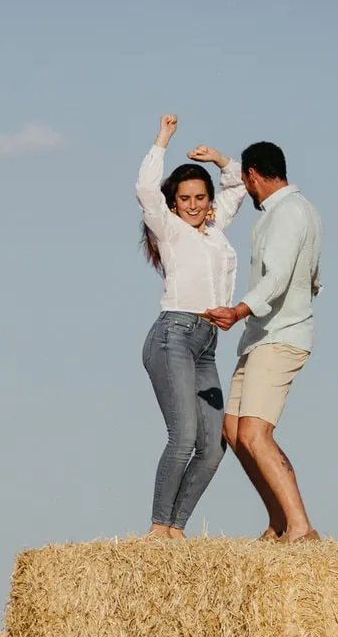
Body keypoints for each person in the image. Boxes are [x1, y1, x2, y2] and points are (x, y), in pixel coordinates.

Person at [204, 140, 323, 543]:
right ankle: (279, 521)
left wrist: (239, 310)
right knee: (234, 431)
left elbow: (279, 276)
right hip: (262, 335)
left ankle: (301, 527)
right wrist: (221, 160)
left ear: (253, 176)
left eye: (246, 181)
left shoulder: (289, 212)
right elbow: (312, 277)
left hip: (280, 334)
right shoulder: (291, 209)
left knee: (255, 433)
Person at [136, 115, 246, 540]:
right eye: (185, 199)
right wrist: (163, 140)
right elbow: (146, 190)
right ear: (175, 203)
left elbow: (237, 187)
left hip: (207, 344)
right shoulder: (169, 230)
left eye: (200, 197)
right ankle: (158, 529)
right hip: (173, 337)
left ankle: (176, 529)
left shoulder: (215, 230)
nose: (194, 205)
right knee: (182, 437)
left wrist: (219, 158)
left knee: (213, 447)